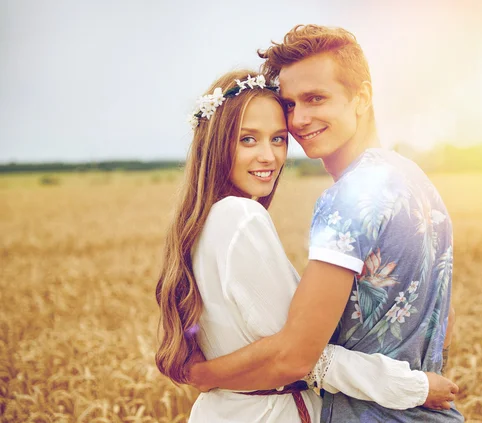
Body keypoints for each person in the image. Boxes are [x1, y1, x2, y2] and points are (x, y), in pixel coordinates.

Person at [184, 25, 464, 422]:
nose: (299, 120)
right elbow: (446, 315)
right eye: (291, 104)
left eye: (316, 98)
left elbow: (296, 355)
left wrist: (204, 373)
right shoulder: (415, 180)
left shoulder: (348, 199)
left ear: (361, 97)